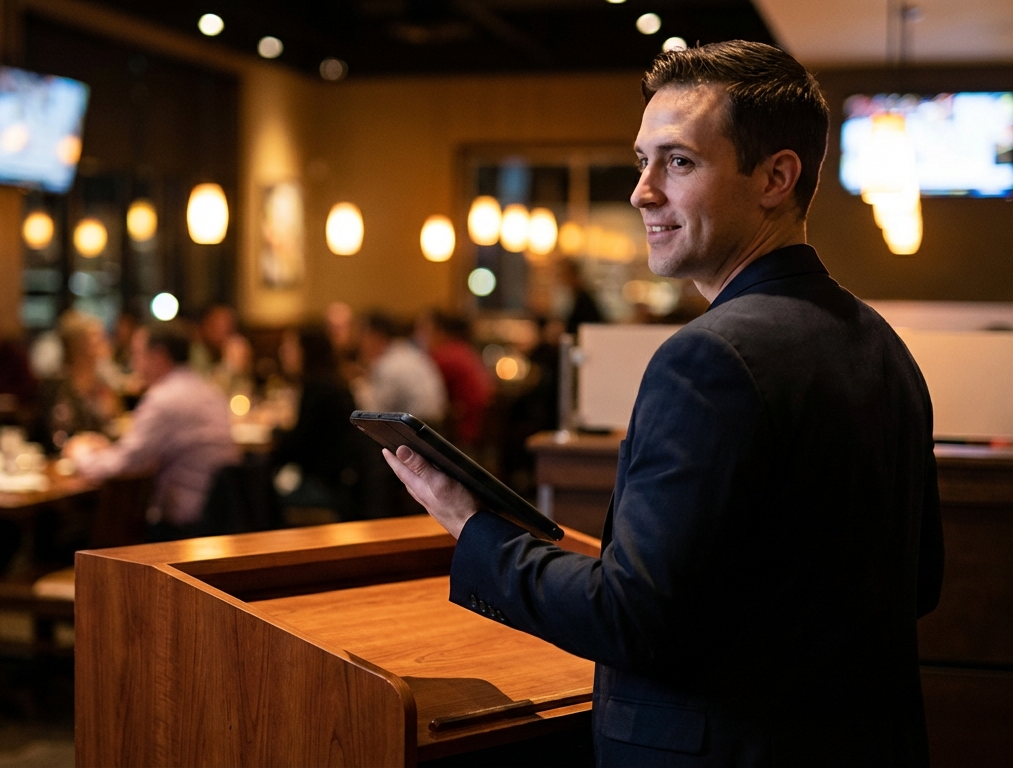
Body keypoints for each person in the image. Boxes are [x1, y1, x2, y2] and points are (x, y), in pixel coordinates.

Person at [382, 41, 943, 766]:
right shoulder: (881, 345)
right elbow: (917, 582)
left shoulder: (707, 358)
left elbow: (634, 617)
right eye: (643, 160)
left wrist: (474, 528)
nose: (642, 190)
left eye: (677, 162)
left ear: (777, 177)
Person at [64, 320, 240, 540]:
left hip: (182, 529)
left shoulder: (165, 398)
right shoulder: (208, 391)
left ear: (158, 356)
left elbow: (123, 465)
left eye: (138, 354)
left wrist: (79, 452)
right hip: (220, 519)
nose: (135, 365)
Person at [272, 325, 361, 515]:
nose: (284, 352)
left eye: (290, 347)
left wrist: (274, 438)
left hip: (325, 486)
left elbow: (299, 448)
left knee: (256, 488)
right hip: (342, 481)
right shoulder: (333, 382)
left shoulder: (318, 389)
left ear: (307, 351)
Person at [33, 310, 123, 451]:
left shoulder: (103, 384)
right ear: (79, 344)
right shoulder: (56, 386)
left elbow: (113, 427)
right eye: (97, 337)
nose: (105, 342)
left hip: (99, 462)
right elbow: (55, 439)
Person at [355, 312, 446, 424]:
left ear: (376, 336)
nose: (360, 343)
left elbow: (373, 413)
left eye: (362, 335)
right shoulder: (409, 351)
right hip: (437, 426)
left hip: (415, 430)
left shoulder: (388, 364)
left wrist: (359, 384)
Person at [419, 311, 493, 448]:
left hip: (463, 427)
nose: (420, 336)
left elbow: (422, 390)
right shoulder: (462, 348)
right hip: (480, 423)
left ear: (440, 331)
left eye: (424, 330)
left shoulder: (445, 355)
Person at [559, 259, 605, 334]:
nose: (563, 279)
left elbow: (590, 326)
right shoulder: (575, 297)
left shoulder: (584, 300)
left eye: (565, 274)